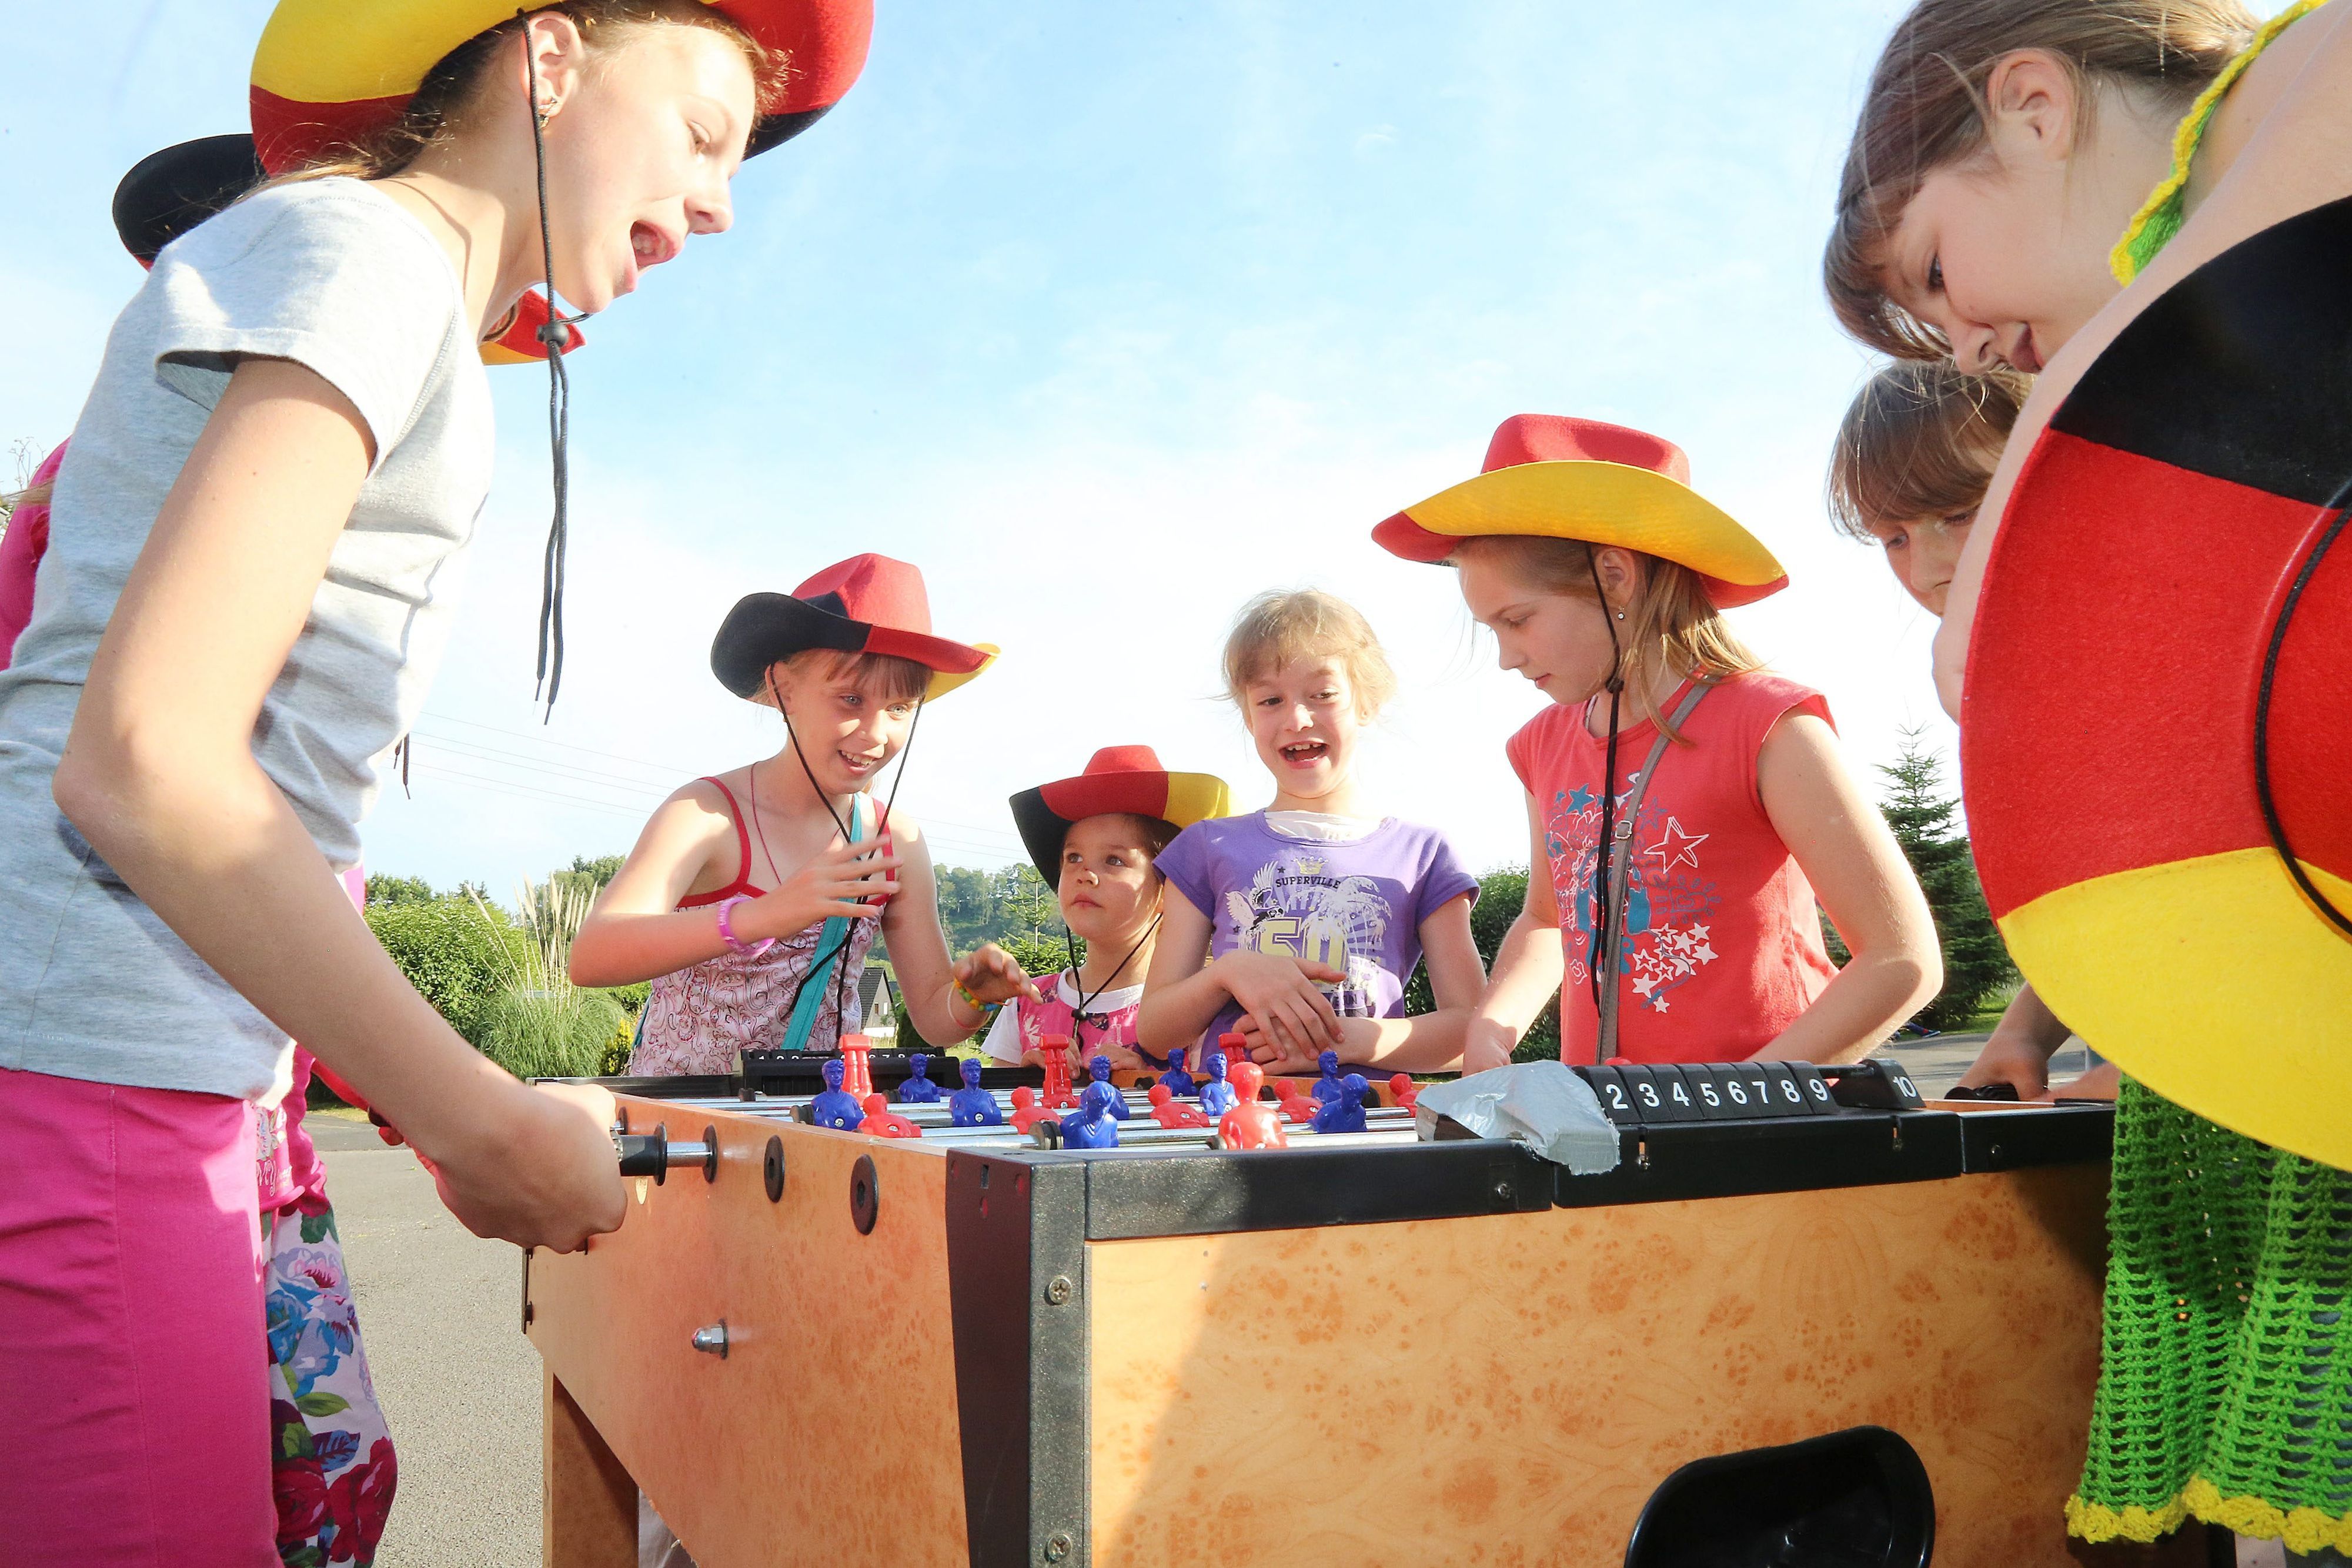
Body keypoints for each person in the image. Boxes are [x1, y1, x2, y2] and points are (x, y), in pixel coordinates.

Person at [0, 4, 867, 1561]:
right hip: (86, 1067)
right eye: (707, 131)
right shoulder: (373, 254)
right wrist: (470, 1113)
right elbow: (148, 757)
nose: (728, 198)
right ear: (548, 58)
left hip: (153, 1062)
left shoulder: (386, 282)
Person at [1827, 0, 2351, 1556]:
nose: (1964, 337)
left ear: (2038, 108)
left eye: (1932, 270)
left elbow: (1989, 646)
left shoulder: (2304, 82)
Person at [1372, 413, 1941, 1071]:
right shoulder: (1539, 747)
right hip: (1613, 1134)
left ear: (1615, 576)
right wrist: (1492, 1028)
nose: (1505, 657)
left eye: (1517, 620)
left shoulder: (1769, 725)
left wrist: (1740, 1096)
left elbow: (1901, 960)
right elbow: (1547, 920)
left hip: (1765, 1141)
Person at [570, 554, 1039, 1067]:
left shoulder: (895, 840)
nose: (876, 734)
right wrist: (763, 914)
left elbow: (931, 1014)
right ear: (782, 689)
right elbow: (594, 954)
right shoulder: (706, 813)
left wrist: (973, 997)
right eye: (851, 698)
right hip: (687, 1130)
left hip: (817, 1125)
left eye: (900, 707)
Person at [1826, 359, 2118, 1102]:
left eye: (1958, 513)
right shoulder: (2004, 679)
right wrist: (2024, 1032)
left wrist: (2154, 1066)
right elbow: (2108, 899)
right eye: (1891, 538)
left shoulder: (2155, 647)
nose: (1927, 570)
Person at [1134, 590, 1487, 1076]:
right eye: (1270, 700)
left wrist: (1345, 1041)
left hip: (1365, 1136)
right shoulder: (1202, 847)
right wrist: (1229, 973)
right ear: (1248, 715)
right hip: (1232, 1128)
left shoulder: (1425, 855)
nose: (1297, 718)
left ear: (1367, 702)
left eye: (1322, 695)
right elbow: (1155, 1031)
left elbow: (1473, 1032)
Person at [985, 745, 1231, 1074]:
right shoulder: (1025, 1004)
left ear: (1169, 891)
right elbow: (993, 1116)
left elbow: (1216, 1112)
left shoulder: (1200, 1010)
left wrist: (1148, 1083)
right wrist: (1023, 1079)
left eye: (1114, 860)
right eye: (1073, 858)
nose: (1084, 873)